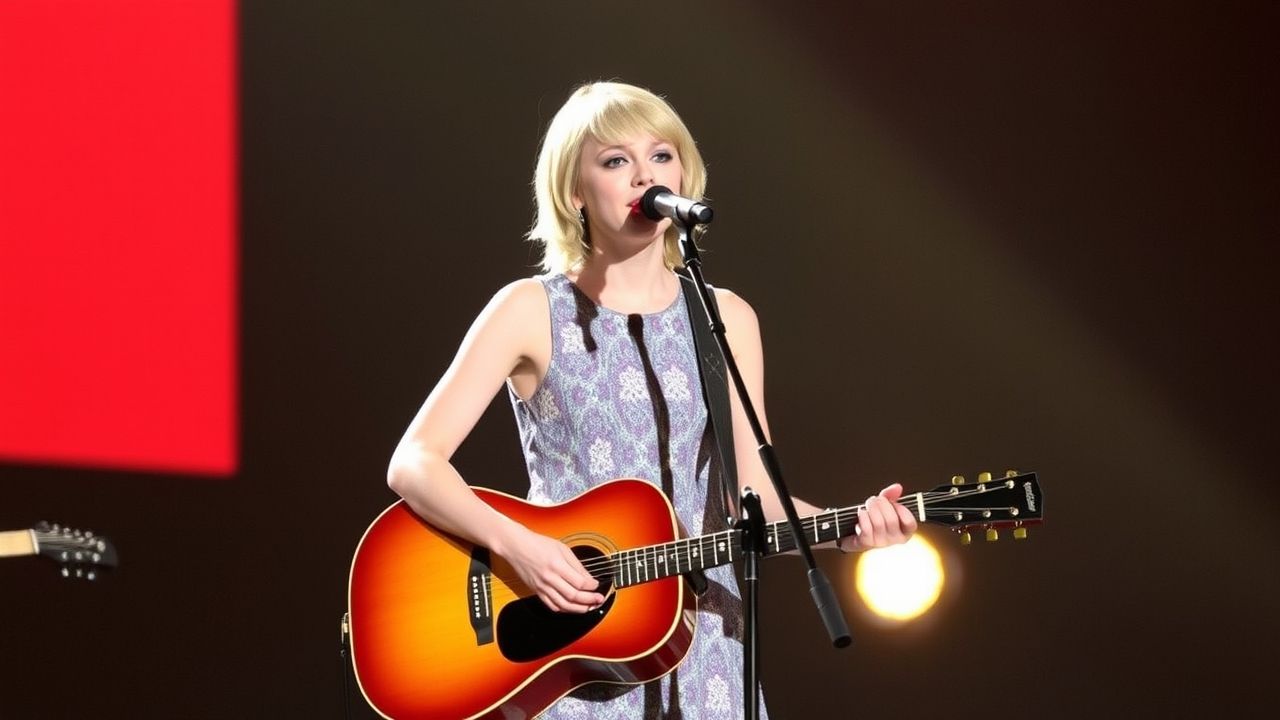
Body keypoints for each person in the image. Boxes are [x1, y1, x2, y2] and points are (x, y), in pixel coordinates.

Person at [387, 81, 918, 719]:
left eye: (661, 157)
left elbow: (751, 493)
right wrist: (519, 547)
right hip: (578, 656)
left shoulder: (725, 318)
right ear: (574, 191)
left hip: (709, 659)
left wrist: (847, 530)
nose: (644, 176)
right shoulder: (529, 310)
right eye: (616, 161)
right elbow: (414, 462)